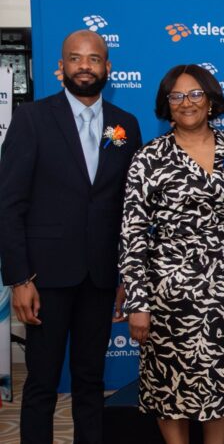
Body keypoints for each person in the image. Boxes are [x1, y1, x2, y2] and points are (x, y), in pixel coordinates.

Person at [0, 30, 142, 444]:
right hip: (44, 279)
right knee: (42, 383)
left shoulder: (126, 125)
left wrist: (126, 278)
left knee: (90, 381)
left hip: (101, 277)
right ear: (61, 67)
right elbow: (9, 204)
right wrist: (19, 278)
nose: (84, 66)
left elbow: (128, 209)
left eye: (93, 59)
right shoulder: (32, 119)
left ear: (107, 67)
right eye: (75, 58)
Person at [118, 65, 224, 444]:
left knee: (223, 385)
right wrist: (138, 302)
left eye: (195, 94)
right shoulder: (150, 157)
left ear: (211, 100)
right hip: (169, 299)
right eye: (176, 96)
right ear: (167, 104)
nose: (187, 102)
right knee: (170, 389)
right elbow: (132, 234)